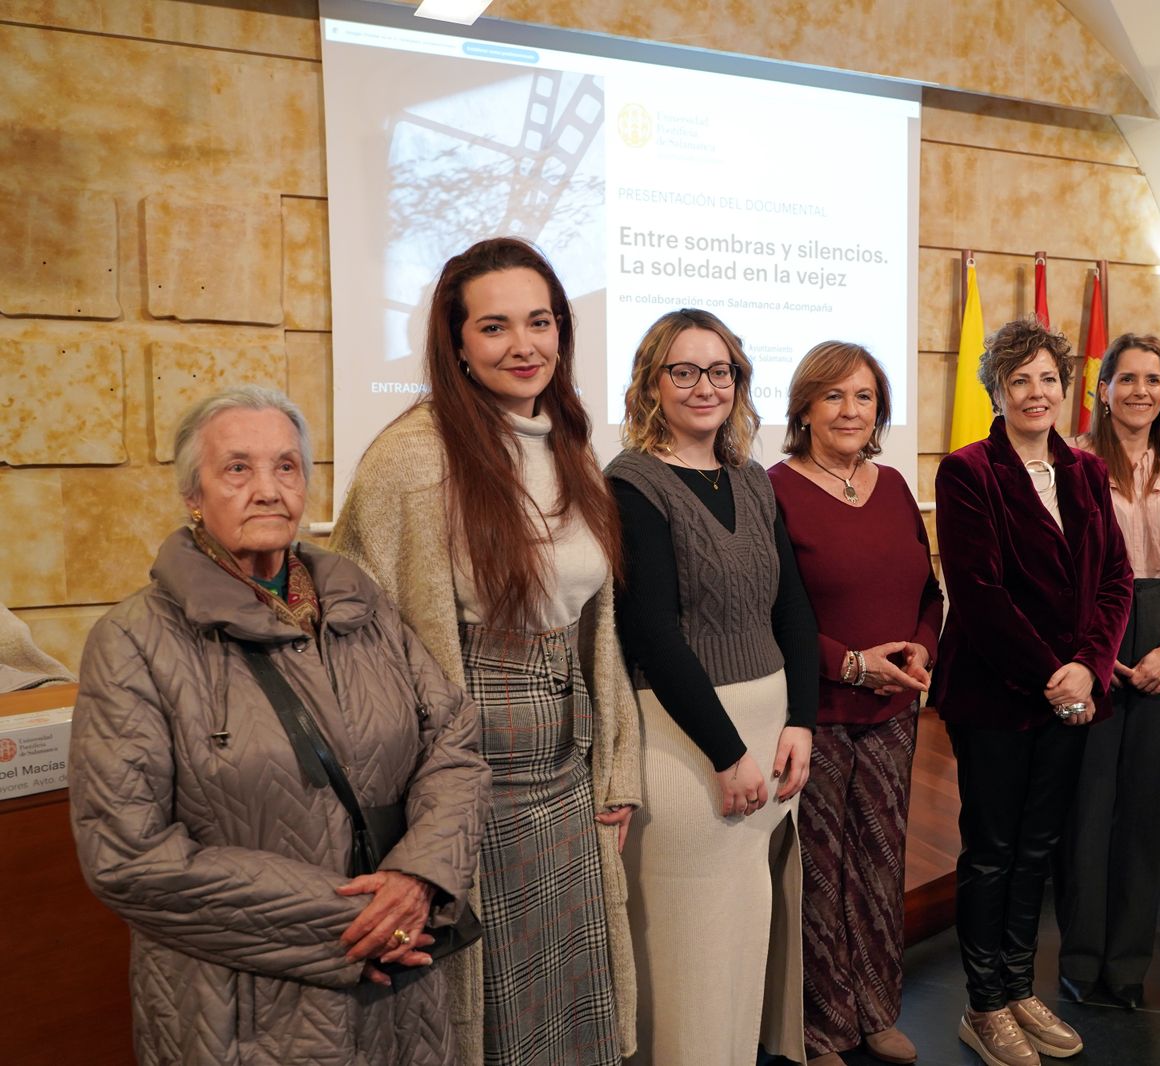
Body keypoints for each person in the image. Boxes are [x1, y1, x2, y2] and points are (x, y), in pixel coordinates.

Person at [69, 386, 490, 1065]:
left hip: (401, 997)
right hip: (241, 1011)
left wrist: (418, 879)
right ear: (193, 495)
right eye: (238, 469)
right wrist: (355, 919)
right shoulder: (133, 641)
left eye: (286, 466)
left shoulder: (364, 607)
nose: (267, 489)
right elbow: (128, 856)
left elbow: (454, 747)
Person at [332, 237, 640, 1066]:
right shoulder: (412, 458)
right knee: (493, 1004)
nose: (524, 345)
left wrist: (613, 766)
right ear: (457, 343)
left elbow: (597, 632)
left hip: (565, 764)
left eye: (540, 322)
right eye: (496, 327)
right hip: (470, 772)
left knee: (570, 990)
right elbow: (362, 645)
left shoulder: (571, 444)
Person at [606, 307, 818, 1064]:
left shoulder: (752, 479)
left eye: (720, 370)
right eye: (684, 371)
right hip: (691, 748)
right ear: (652, 383)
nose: (705, 386)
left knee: (740, 954)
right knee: (692, 963)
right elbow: (653, 636)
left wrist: (802, 722)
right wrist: (729, 755)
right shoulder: (633, 485)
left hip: (769, 742)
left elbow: (792, 606)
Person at [934, 317, 1133, 1066]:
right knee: (992, 850)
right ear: (997, 390)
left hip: (1075, 694)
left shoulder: (1086, 472)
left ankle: (1018, 988)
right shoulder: (967, 471)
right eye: (1020, 380)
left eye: (1048, 378)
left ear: (1067, 388)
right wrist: (1058, 677)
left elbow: (1114, 579)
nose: (1036, 392)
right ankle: (983, 1005)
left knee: (1038, 848)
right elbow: (980, 595)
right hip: (995, 695)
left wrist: (1088, 666)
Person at [769, 342, 943, 1066]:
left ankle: (875, 1009)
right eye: (834, 396)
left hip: (893, 715)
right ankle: (820, 1027)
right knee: (819, 870)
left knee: (877, 864)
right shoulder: (772, 487)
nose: (850, 410)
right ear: (804, 407)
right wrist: (849, 664)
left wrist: (920, 651)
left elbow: (928, 594)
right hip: (817, 716)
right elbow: (773, 611)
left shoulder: (896, 484)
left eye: (864, 396)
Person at [1054, 333, 1160, 1007]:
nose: (1140, 391)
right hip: (1090, 625)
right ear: (1102, 388)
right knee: (1088, 804)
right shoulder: (1072, 462)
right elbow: (1061, 565)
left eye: (1153, 380)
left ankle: (1127, 964)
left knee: (1149, 806)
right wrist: (1095, 647)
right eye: (1127, 379)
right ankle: (1081, 955)